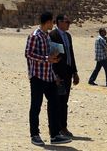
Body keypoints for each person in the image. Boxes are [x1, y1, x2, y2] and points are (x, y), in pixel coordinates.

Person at [25, 11, 70, 146]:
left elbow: (48, 56)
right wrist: (46, 58)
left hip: (49, 77)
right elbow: (28, 53)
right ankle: (34, 134)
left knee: (55, 104)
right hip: (37, 77)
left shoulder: (47, 36)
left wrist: (54, 73)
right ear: (48, 22)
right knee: (36, 106)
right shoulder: (34, 36)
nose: (53, 24)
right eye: (52, 22)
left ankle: (55, 134)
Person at [50, 14, 79, 137]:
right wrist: (55, 74)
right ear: (59, 22)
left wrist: (75, 72)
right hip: (58, 74)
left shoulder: (68, 36)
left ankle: (63, 126)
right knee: (58, 101)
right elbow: (53, 55)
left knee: (64, 101)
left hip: (67, 73)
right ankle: (57, 128)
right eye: (67, 21)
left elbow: (70, 54)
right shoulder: (53, 35)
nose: (69, 24)